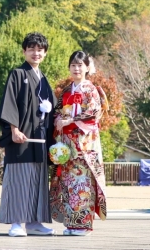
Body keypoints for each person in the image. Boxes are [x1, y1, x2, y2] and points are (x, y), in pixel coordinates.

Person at [0, 32, 57, 237]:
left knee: (37, 181)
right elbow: (10, 103)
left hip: (39, 139)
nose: (36, 53)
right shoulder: (17, 74)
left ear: (45, 53)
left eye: (40, 50)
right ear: (24, 51)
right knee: (19, 180)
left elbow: (53, 108)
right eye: (31, 49)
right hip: (21, 137)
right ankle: (16, 223)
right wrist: (13, 129)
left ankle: (34, 222)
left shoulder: (44, 79)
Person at [50, 51, 107, 236]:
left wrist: (69, 120)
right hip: (67, 146)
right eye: (73, 65)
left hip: (85, 145)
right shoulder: (67, 91)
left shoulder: (91, 90)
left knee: (83, 184)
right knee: (68, 184)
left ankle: (84, 226)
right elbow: (57, 111)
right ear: (69, 67)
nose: (76, 68)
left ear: (87, 68)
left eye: (80, 65)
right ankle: (71, 224)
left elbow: (94, 112)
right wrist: (59, 119)